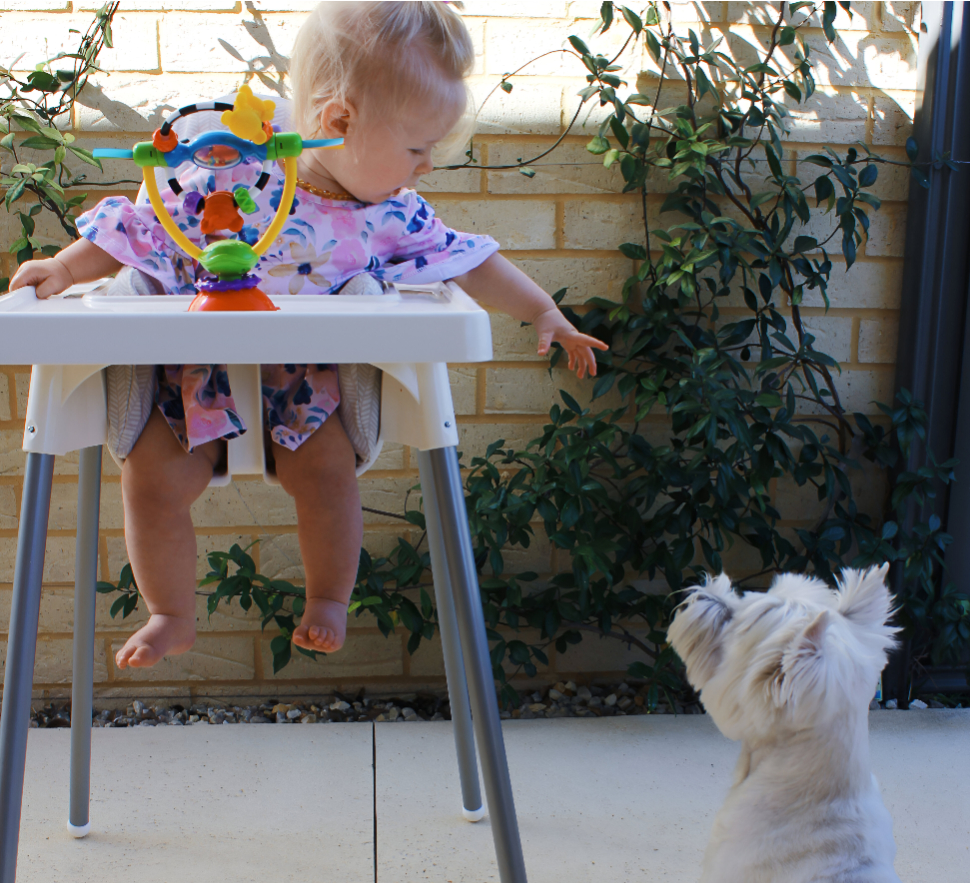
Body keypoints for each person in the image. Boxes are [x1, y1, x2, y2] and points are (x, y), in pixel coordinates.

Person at [8, 1, 606, 670]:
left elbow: (472, 259)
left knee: (327, 479)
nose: (426, 165)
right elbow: (139, 233)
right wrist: (64, 267)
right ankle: (171, 612)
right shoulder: (232, 175)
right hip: (190, 385)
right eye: (415, 147)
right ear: (340, 120)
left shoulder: (389, 215)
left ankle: (327, 599)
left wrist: (542, 313)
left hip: (308, 394)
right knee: (150, 481)